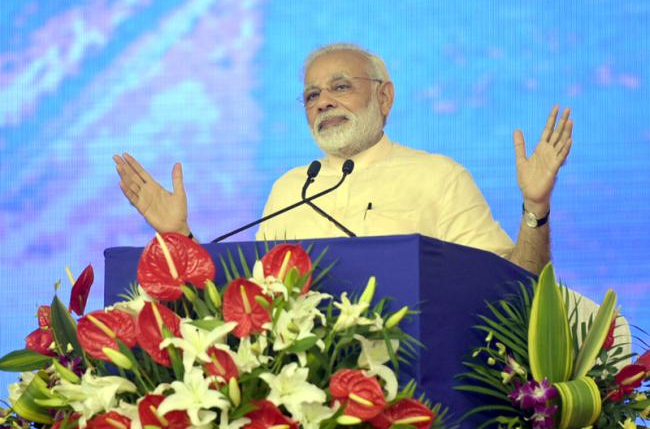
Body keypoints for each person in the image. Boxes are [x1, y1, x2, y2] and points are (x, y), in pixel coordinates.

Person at [114, 43, 573, 275]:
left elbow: (516, 282)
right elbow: (246, 301)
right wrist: (180, 238)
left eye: (340, 87)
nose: (323, 102)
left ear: (384, 97)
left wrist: (535, 206)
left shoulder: (438, 177)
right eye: (312, 95)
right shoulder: (290, 189)